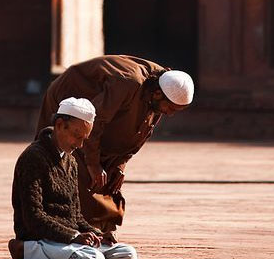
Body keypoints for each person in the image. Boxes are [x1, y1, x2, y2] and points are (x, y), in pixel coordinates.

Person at [36, 55, 194, 233]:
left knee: (108, 176)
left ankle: (100, 228)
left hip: (98, 113)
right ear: (157, 94)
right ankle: (69, 229)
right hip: (68, 103)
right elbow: (93, 122)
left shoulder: (161, 88)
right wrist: (94, 165)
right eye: (171, 108)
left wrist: (120, 164)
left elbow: (139, 133)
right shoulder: (127, 83)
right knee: (76, 165)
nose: (170, 114)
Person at [5, 97, 138, 259]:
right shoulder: (33, 157)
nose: (80, 144)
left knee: (128, 256)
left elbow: (75, 216)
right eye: (77, 136)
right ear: (60, 125)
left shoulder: (71, 161)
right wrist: (74, 236)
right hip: (43, 240)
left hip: (69, 242)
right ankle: (25, 252)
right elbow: (33, 217)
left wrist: (97, 233)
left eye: (84, 139)